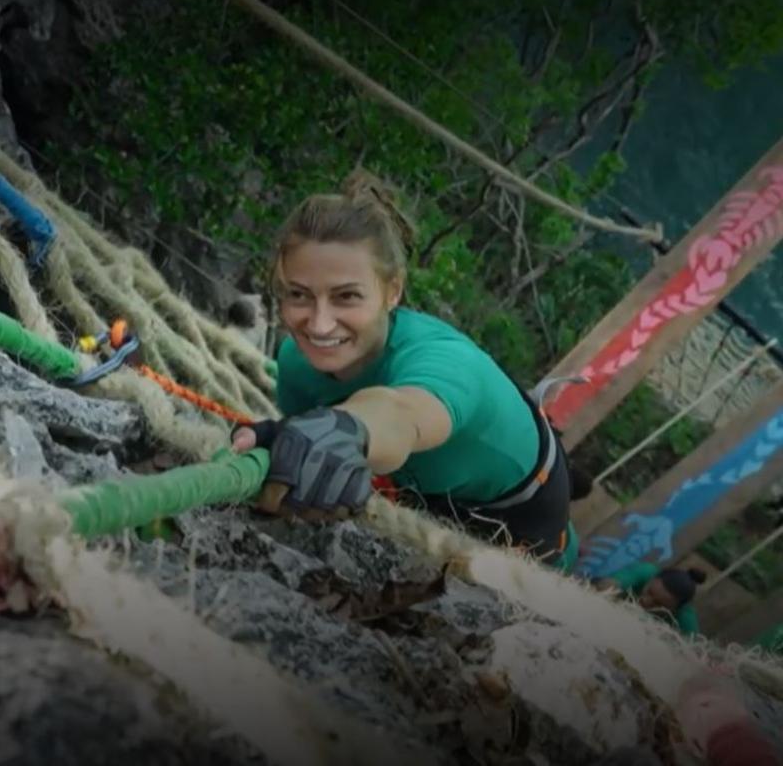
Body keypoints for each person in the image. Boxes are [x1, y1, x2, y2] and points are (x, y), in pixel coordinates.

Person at [231, 168, 580, 570]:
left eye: (346, 297)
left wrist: (349, 430)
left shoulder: (446, 361)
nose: (319, 323)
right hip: (422, 495)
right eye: (298, 295)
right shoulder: (297, 363)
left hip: (523, 523)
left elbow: (402, 414)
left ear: (393, 290)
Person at [593, 562, 706, 635]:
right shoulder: (645, 572)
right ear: (652, 579)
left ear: (675, 610)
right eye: (649, 592)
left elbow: (695, 654)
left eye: (658, 604)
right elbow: (608, 585)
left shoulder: (685, 616)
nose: (646, 601)